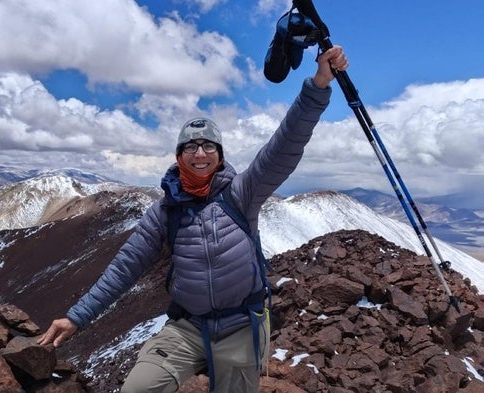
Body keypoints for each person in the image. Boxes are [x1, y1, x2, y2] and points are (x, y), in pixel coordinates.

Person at [38, 45, 348, 393]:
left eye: (208, 146)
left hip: (241, 325)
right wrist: (77, 317)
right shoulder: (165, 212)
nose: (200, 153)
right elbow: (125, 268)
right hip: (187, 326)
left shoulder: (242, 194)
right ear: (179, 156)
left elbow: (285, 144)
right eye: (191, 146)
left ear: (219, 156)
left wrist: (319, 84)